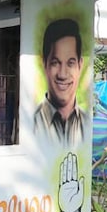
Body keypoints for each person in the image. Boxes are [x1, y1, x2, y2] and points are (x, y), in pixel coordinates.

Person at [33, 18, 90, 147]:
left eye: (70, 63)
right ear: (45, 64)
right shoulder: (32, 124)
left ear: (80, 65)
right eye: (55, 63)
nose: (62, 74)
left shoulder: (87, 123)